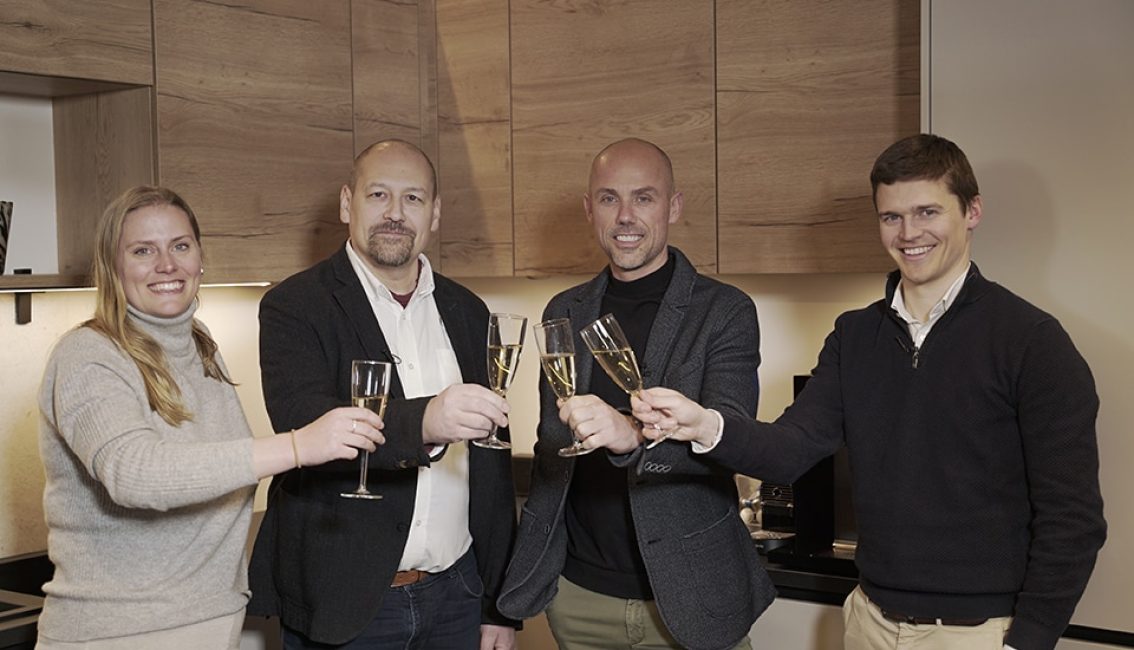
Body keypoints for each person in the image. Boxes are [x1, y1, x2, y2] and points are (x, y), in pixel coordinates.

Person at [634, 133, 1107, 650]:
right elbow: (791, 449)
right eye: (891, 217)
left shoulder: (1031, 341)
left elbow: (1073, 518)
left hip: (982, 634)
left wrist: (1030, 640)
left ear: (972, 211)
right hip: (869, 623)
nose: (909, 233)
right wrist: (704, 425)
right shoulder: (854, 336)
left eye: (928, 212)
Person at [36, 186, 384, 649]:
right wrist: (298, 446)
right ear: (112, 266)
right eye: (143, 251)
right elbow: (134, 473)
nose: (167, 265)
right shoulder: (88, 356)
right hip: (118, 634)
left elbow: (216, 475)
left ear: (200, 257)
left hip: (212, 624)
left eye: (180, 246)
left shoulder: (200, 348)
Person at [497, 138, 775, 650]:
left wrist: (632, 437)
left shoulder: (725, 312)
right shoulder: (565, 309)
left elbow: (729, 440)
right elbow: (549, 452)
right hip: (578, 600)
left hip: (692, 600)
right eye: (609, 199)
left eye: (644, 198)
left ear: (673, 206)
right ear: (589, 209)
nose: (625, 216)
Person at [246, 139, 520, 649]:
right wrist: (425, 423)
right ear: (348, 204)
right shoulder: (293, 307)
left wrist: (499, 605)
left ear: (435, 214)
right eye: (379, 195)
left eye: (413, 199)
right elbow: (307, 423)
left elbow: (491, 472)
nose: (395, 214)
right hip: (346, 608)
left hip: (457, 599)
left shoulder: (470, 312)